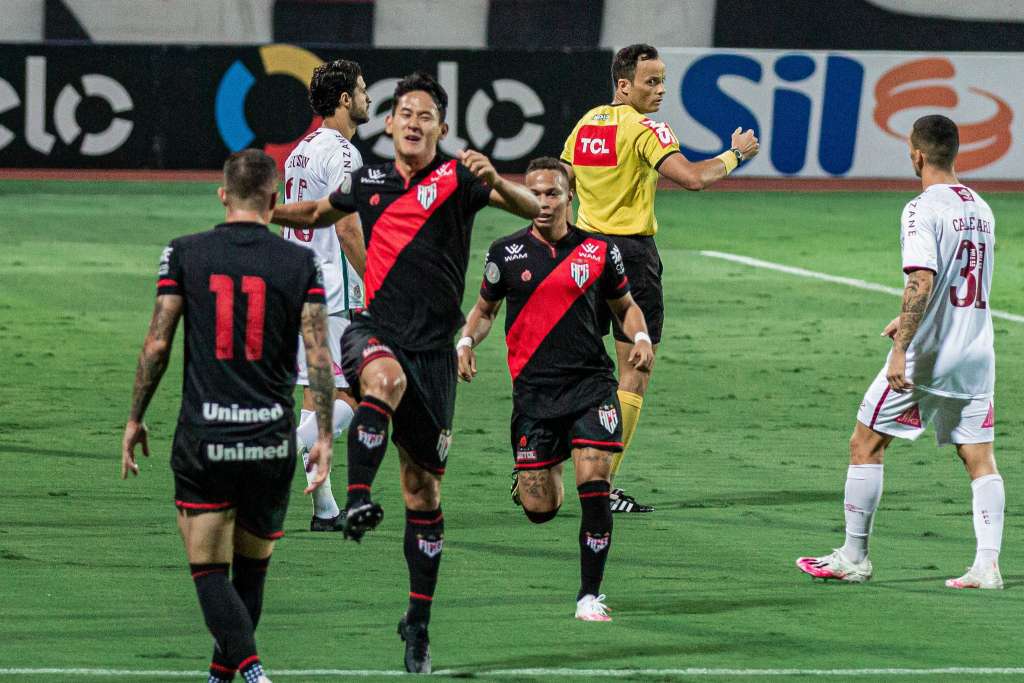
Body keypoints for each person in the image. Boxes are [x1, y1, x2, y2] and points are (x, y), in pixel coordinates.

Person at [270, 71, 539, 673]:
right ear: (388, 124)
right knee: (380, 381)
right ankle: (357, 500)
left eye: (426, 116)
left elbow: (535, 212)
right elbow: (316, 211)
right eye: (404, 113)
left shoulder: (460, 180)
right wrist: (261, 208)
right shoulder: (366, 179)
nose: (414, 122)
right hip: (376, 330)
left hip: (435, 354)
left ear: (441, 129)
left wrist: (501, 182)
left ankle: (417, 619)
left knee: (424, 492)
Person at [119, 149, 336, 683]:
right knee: (252, 571)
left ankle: (253, 671)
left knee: (208, 570)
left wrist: (135, 417)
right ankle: (223, 676)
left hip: (206, 438)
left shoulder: (186, 253)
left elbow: (157, 343)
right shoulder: (299, 262)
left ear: (222, 196)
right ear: (275, 199)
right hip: (270, 438)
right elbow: (318, 357)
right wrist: (326, 435)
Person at [796, 115, 1003, 590]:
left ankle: (854, 556)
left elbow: (922, 279)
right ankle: (987, 566)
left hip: (929, 357)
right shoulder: (981, 207)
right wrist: (909, 318)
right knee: (979, 457)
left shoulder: (919, 208)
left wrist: (900, 349)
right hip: (977, 353)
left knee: (865, 443)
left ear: (916, 155)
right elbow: (959, 281)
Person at [559, 43, 759, 512]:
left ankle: (539, 466)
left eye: (663, 79)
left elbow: (562, 183)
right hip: (630, 257)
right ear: (623, 85)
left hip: (583, 252)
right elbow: (690, 178)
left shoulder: (586, 123)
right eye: (651, 81)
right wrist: (735, 155)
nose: (661, 89)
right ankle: (602, 487)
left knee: (582, 369)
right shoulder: (646, 127)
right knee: (634, 371)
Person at [457, 157, 654, 621]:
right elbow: (484, 311)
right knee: (540, 508)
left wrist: (641, 336)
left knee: (596, 481)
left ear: (571, 197)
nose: (543, 203)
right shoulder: (504, 253)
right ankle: (551, 461)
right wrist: (466, 340)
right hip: (534, 395)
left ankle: (589, 595)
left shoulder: (599, 251)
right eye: (536, 193)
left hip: (591, 385)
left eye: (553, 193)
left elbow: (625, 307)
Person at [281, 59, 370, 531]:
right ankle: (270, 448)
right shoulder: (342, 152)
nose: (368, 98)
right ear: (343, 100)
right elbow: (348, 225)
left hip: (299, 282)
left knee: (317, 398)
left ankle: (325, 510)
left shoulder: (302, 148)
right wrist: (376, 280)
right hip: (331, 292)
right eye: (361, 89)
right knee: (356, 393)